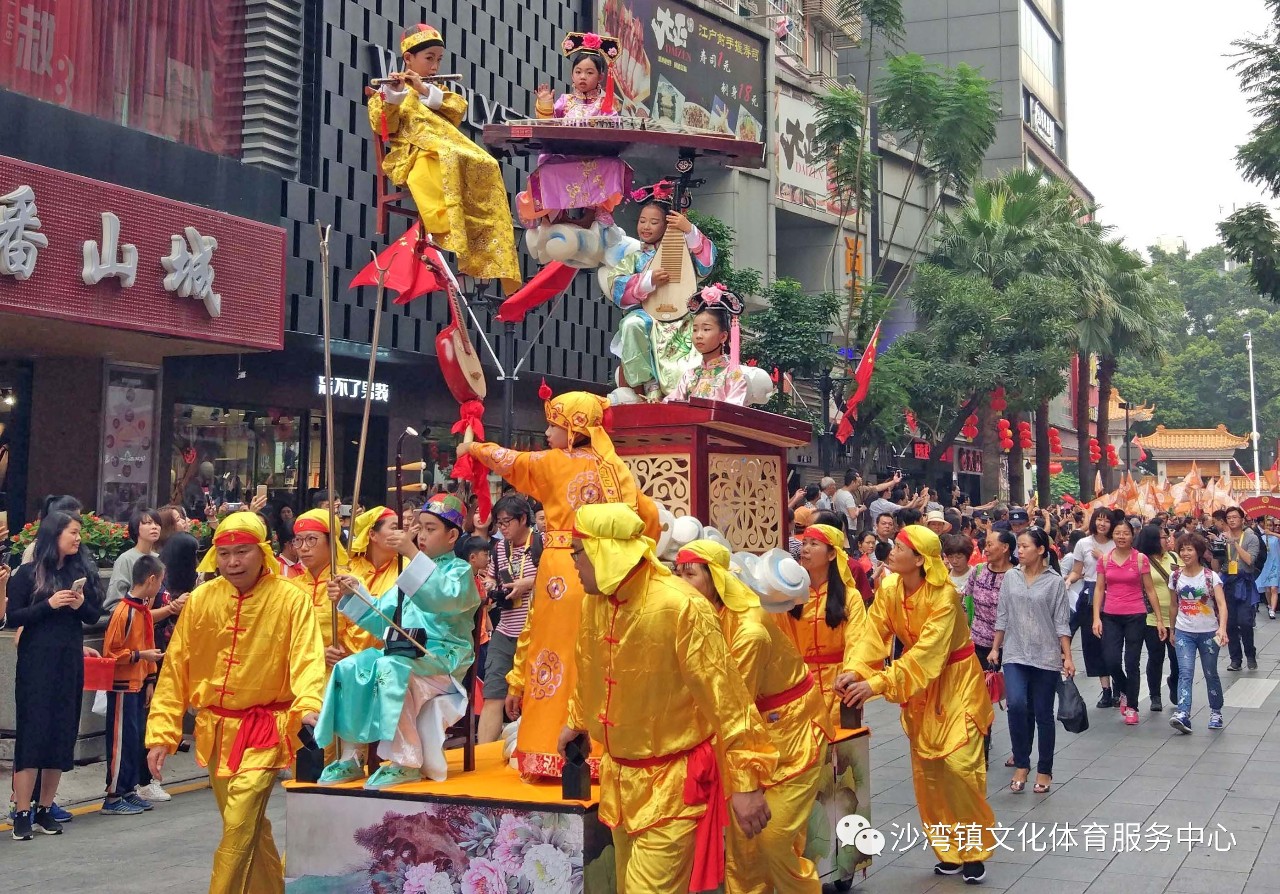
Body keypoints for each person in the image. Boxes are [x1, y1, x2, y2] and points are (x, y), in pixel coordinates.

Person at [559, 504, 776, 893]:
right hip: (620, 783)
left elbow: (729, 702)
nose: (573, 563)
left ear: (603, 552)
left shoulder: (682, 606)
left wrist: (745, 781)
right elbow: (589, 664)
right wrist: (576, 719)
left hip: (673, 785)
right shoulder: (596, 600)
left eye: (577, 552)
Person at [460, 389, 659, 778]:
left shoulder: (554, 463)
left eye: (553, 424)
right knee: (600, 654)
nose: (547, 432)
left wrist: (473, 448)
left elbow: (509, 460)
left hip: (563, 569)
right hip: (608, 569)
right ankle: (603, 751)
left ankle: (547, 749)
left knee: (552, 653)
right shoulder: (613, 466)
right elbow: (648, 514)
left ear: (573, 429)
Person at [146, 511, 326, 894]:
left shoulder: (291, 600)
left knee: (240, 824)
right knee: (246, 827)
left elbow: (307, 660)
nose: (232, 562)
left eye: (242, 551)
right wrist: (163, 731)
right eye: (224, 553)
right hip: (215, 731)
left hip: (265, 729)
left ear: (262, 552)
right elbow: (176, 667)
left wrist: (309, 705)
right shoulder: (201, 600)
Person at [837, 525, 996, 885]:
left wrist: (877, 683)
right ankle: (947, 851)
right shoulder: (890, 587)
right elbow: (872, 635)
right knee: (928, 773)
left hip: (956, 682)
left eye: (901, 548)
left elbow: (927, 656)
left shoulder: (944, 597)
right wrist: (855, 670)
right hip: (920, 689)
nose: (891, 551)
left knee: (961, 766)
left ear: (920, 560)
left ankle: (972, 849)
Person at [675, 538, 833, 894]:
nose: (681, 583)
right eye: (678, 574)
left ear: (715, 580)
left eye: (691, 575)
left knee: (772, 838)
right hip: (745, 734)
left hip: (790, 734)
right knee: (744, 850)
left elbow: (732, 707)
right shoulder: (695, 616)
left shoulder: (749, 631)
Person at [316, 496, 480, 788]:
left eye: (431, 529)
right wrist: (353, 593)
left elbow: (442, 599)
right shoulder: (411, 573)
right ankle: (352, 756)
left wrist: (410, 552)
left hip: (443, 661)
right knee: (350, 666)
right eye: (421, 528)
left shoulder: (460, 572)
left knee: (393, 668)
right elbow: (383, 621)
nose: (423, 535)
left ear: (452, 535)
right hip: (407, 654)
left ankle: (405, 761)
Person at [368, 25, 521, 291]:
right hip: (415, 153)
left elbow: (457, 108)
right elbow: (383, 125)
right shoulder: (389, 92)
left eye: (438, 59)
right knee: (442, 159)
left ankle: (486, 245)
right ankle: (445, 230)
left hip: (449, 149)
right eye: (429, 58)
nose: (435, 66)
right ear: (408, 59)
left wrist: (425, 91)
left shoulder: (434, 91)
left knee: (488, 163)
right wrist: (394, 95)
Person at [7, 511, 104, 840]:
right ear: (55, 535)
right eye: (72, 533)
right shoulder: (27, 574)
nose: (77, 539)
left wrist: (78, 605)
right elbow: (13, 617)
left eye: (79, 533)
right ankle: (22, 811)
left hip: (68, 663)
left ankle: (46, 808)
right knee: (33, 734)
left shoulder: (78, 572)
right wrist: (49, 604)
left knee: (61, 733)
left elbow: (94, 614)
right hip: (36, 664)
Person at [601, 201, 717, 401]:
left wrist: (688, 230)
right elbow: (617, 288)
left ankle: (687, 386)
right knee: (632, 324)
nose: (646, 227)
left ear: (667, 225)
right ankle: (649, 383)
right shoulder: (635, 258)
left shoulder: (684, 254)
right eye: (642, 221)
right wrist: (648, 281)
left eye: (654, 222)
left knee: (698, 330)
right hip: (647, 313)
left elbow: (706, 264)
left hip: (682, 313)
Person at [989, 528, 1073, 795]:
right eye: (1019, 547)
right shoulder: (1011, 578)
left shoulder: (1054, 581)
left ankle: (1044, 769)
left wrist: (1067, 656)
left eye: (1025, 547)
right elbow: (1002, 615)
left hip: (1045, 655)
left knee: (1042, 713)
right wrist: (995, 648)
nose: (1019, 551)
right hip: (1015, 652)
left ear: (1041, 550)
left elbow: (1061, 622)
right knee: (1015, 704)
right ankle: (1022, 763)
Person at [520, 32, 630, 233]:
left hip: (593, 158)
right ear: (572, 74)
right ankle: (542, 210)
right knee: (545, 170)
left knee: (615, 165)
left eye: (589, 72)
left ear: (600, 76)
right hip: (564, 158)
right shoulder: (564, 101)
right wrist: (545, 104)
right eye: (578, 71)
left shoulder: (606, 104)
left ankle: (599, 208)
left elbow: (614, 129)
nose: (583, 77)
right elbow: (548, 126)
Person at [776, 523, 869, 729]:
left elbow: (858, 640)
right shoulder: (790, 596)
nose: (805, 549)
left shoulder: (850, 597)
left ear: (831, 555)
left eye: (814, 544)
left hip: (838, 685)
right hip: (800, 685)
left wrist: (852, 671)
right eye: (804, 543)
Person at [101, 554, 166, 816]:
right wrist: (142, 658)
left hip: (137, 684)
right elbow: (112, 652)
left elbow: (147, 644)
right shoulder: (125, 611)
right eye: (160, 582)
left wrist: (150, 679)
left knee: (133, 740)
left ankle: (128, 789)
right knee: (119, 741)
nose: (161, 587)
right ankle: (113, 795)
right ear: (151, 580)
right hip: (121, 685)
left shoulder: (141, 611)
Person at [1092, 515, 1165, 726]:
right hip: (1111, 615)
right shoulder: (1104, 560)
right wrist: (1096, 617)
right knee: (1111, 660)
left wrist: (1159, 619)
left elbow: (1150, 590)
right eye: (1117, 533)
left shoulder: (1140, 558)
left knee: (1132, 662)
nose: (1121, 537)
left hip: (1136, 614)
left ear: (1133, 535)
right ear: (1112, 535)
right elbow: (1099, 589)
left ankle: (1132, 706)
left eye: (1125, 533)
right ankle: (1123, 689)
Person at [479, 495, 538, 744]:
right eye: (499, 523)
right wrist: (491, 586)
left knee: (537, 695)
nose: (502, 529)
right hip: (505, 629)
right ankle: (483, 757)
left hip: (537, 630)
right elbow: (491, 577)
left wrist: (529, 583)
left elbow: (560, 579)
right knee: (493, 692)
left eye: (506, 522)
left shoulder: (542, 544)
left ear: (523, 519)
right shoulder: (500, 547)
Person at [1168, 532, 1229, 734]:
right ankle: (1183, 713)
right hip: (1184, 631)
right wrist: (1172, 630)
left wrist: (1222, 628)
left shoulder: (1211, 577)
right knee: (1185, 673)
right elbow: (1173, 605)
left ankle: (1216, 711)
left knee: (1211, 673)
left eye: (1189, 549)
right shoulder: (1175, 576)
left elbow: (1221, 604)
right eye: (1182, 549)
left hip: (1209, 633)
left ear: (1198, 552)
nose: (1185, 553)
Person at [1066, 508, 1119, 708]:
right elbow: (1077, 571)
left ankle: (1118, 686)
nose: (1102, 524)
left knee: (1113, 645)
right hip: (1089, 596)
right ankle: (1106, 689)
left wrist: (1104, 559)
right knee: (1093, 645)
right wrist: (1068, 581)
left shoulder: (1117, 543)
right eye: (1099, 520)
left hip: (1114, 594)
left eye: (1106, 520)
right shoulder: (1083, 543)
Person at [664, 286, 750, 405]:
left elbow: (731, 412)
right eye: (695, 330)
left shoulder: (733, 375)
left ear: (723, 337)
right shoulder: (690, 375)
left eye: (706, 329)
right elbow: (670, 404)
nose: (698, 335)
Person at [1136, 523, 1180, 712]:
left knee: (1177, 658)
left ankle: (1174, 683)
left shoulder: (1174, 557)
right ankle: (1155, 695)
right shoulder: (1141, 560)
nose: (1167, 539)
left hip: (1176, 618)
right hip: (1152, 618)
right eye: (1163, 536)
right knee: (1156, 657)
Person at [1220, 505, 1260, 671]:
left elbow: (1250, 560)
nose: (1232, 520)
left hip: (1244, 583)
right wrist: (1214, 552)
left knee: (1245, 622)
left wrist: (1234, 544)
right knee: (1230, 623)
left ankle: (1250, 654)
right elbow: (1218, 565)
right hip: (1228, 582)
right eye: (1229, 518)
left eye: (1235, 517)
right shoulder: (1222, 537)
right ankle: (1235, 659)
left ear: (1242, 519)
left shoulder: (1251, 537)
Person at [106, 508, 163, 611]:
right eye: (148, 523)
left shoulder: (159, 558)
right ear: (136, 528)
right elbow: (114, 602)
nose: (154, 527)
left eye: (157, 524)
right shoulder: (125, 559)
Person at [1257, 515, 1280, 618]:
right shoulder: (1261, 538)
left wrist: (1271, 533)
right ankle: (1270, 605)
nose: (1270, 527)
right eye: (1268, 525)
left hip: (1275, 564)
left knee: (1274, 588)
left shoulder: (1276, 537)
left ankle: (1273, 610)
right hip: (1265, 565)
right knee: (1267, 589)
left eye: (1271, 525)